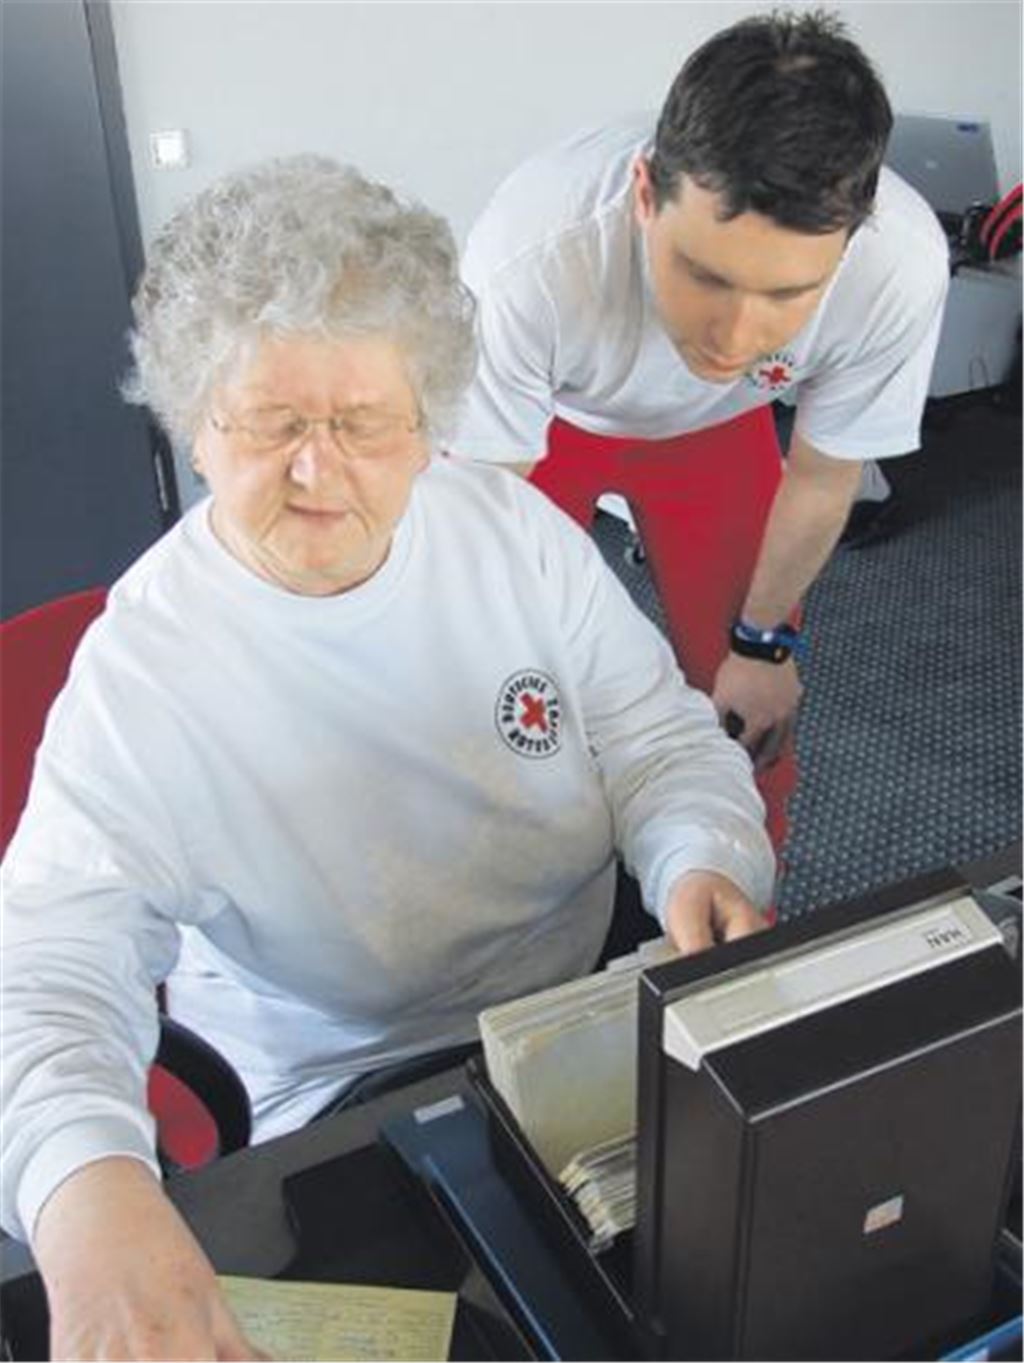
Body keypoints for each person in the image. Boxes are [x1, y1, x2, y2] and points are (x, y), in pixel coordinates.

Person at [0, 156, 774, 1360]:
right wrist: (85, 1190)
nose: (319, 471)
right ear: (194, 425)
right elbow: (51, 961)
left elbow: (655, 735)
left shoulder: (514, 537)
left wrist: (696, 856)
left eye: (363, 422)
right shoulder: (146, 670)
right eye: (272, 422)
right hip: (341, 1077)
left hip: (577, 1007)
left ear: (426, 426)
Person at [451, 9, 950, 857]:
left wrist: (765, 644)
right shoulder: (531, 254)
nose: (735, 337)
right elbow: (484, 508)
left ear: (851, 241)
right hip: (551, 426)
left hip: (716, 432)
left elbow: (824, 474)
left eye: (787, 294)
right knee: (499, 692)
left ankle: (738, 908)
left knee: (749, 713)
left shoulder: (898, 265)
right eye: (705, 275)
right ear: (646, 195)